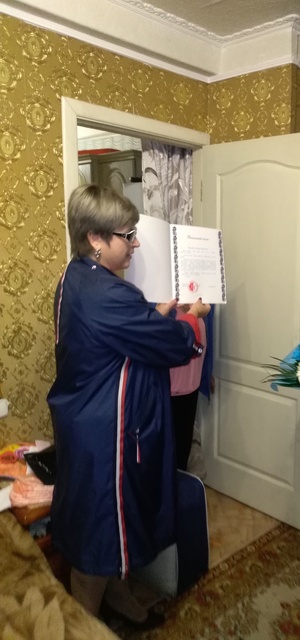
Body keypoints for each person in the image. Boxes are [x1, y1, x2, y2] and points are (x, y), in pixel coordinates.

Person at [47, 184, 211, 626]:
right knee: (100, 537)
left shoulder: (74, 277)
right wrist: (191, 318)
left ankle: (120, 602)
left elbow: (111, 342)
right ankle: (85, 627)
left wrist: (150, 318)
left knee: (107, 530)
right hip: (108, 433)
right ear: (95, 238)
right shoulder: (109, 295)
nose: (136, 243)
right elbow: (173, 345)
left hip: (85, 421)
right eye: (128, 235)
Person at [170, 305, 207, 471]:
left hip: (191, 386)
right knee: (169, 455)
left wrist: (207, 373)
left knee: (182, 451)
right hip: (169, 390)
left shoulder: (199, 306)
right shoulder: (164, 307)